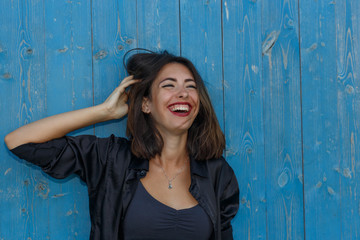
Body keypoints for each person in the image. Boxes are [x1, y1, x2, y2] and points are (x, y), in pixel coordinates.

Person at [5, 50, 239, 240]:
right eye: (169, 85)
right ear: (146, 104)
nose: (183, 93)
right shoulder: (110, 159)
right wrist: (104, 112)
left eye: (191, 86)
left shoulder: (217, 173)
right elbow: (18, 141)